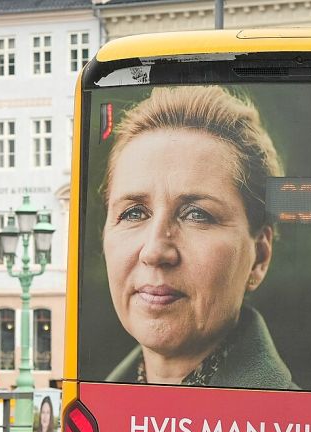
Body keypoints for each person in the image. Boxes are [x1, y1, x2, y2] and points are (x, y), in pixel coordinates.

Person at [101, 86, 296, 390]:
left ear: (259, 257)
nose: (154, 251)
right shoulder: (89, 415)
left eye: (197, 215)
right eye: (134, 213)